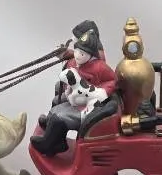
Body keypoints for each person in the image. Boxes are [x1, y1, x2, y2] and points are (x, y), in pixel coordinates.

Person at [31, 28, 118, 156]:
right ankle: (55, 135)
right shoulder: (76, 61)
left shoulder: (100, 67)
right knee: (56, 109)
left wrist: (101, 92)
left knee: (59, 117)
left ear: (91, 55)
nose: (77, 55)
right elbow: (69, 64)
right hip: (75, 99)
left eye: (81, 53)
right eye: (76, 51)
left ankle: (49, 144)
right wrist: (63, 54)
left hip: (89, 105)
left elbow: (111, 81)